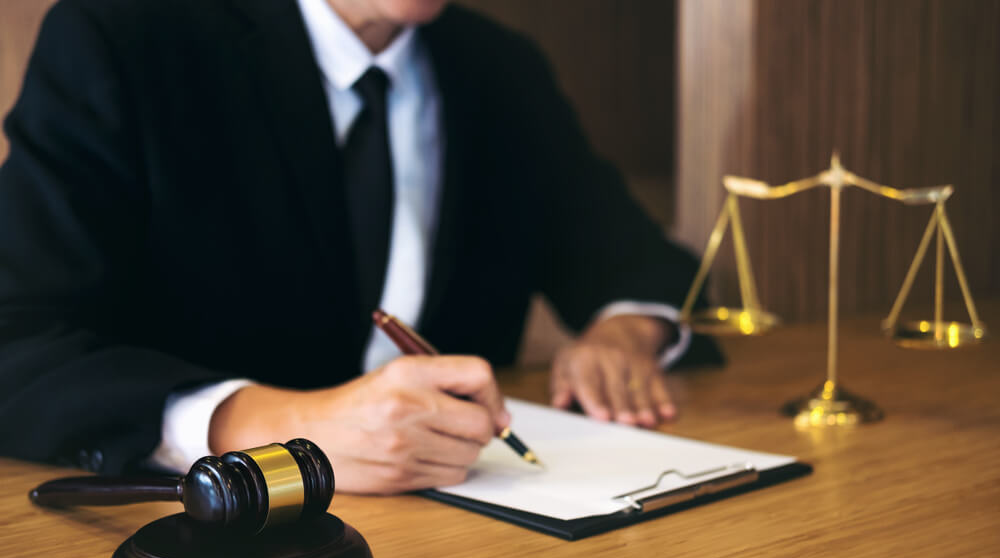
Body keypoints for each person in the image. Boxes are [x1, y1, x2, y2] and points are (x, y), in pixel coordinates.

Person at [0, 0, 718, 493]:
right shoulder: (125, 35)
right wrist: (270, 426)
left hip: (472, 552)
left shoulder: (501, 70)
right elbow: (15, 338)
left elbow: (651, 267)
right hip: (204, 552)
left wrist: (628, 330)